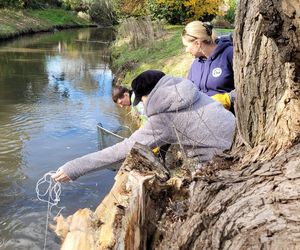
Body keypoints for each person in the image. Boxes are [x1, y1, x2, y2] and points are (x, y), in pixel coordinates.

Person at [53, 70, 235, 182]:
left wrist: (74, 168)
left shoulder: (163, 118)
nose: (143, 104)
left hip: (221, 162)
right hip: (238, 140)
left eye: (142, 99)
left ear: (147, 95)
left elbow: (122, 150)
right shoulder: (189, 91)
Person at [182, 21, 235, 111]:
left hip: (229, 118)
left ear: (197, 43)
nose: (186, 50)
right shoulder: (196, 63)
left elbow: (247, 87)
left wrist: (227, 99)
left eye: (187, 46)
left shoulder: (230, 54)